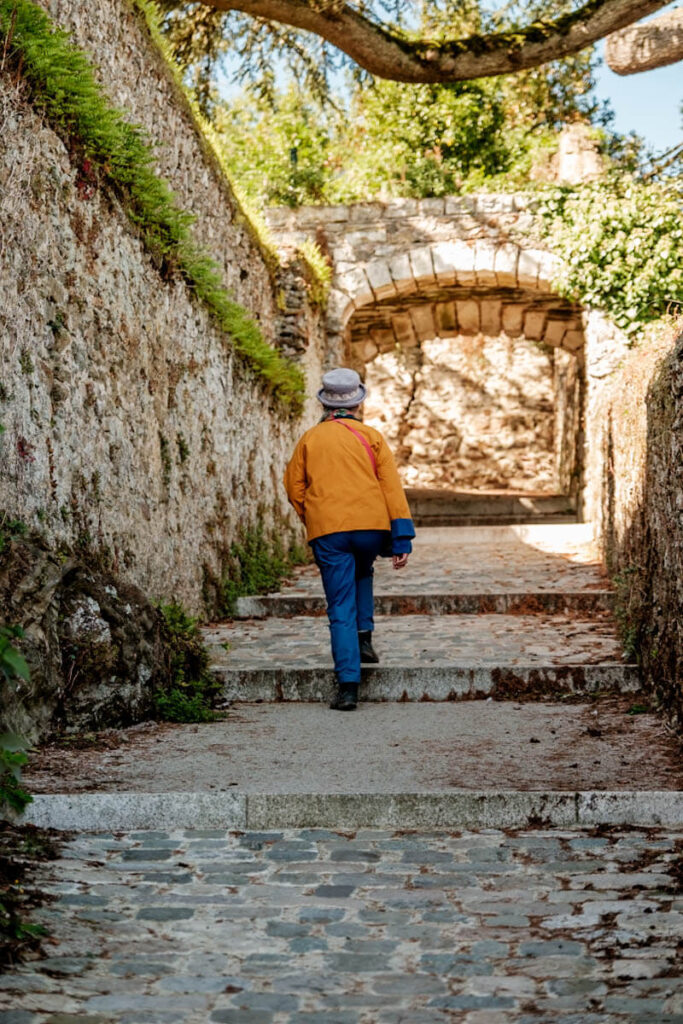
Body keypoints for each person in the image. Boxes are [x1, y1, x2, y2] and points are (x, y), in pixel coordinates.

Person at [284, 367, 415, 711]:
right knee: (363, 570)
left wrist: (311, 514)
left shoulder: (310, 440)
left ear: (325, 404)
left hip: (330, 530)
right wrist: (401, 540)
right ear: (358, 403)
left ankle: (348, 688)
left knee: (339, 605)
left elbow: (293, 487)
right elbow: (391, 489)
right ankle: (365, 637)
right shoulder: (372, 436)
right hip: (371, 528)